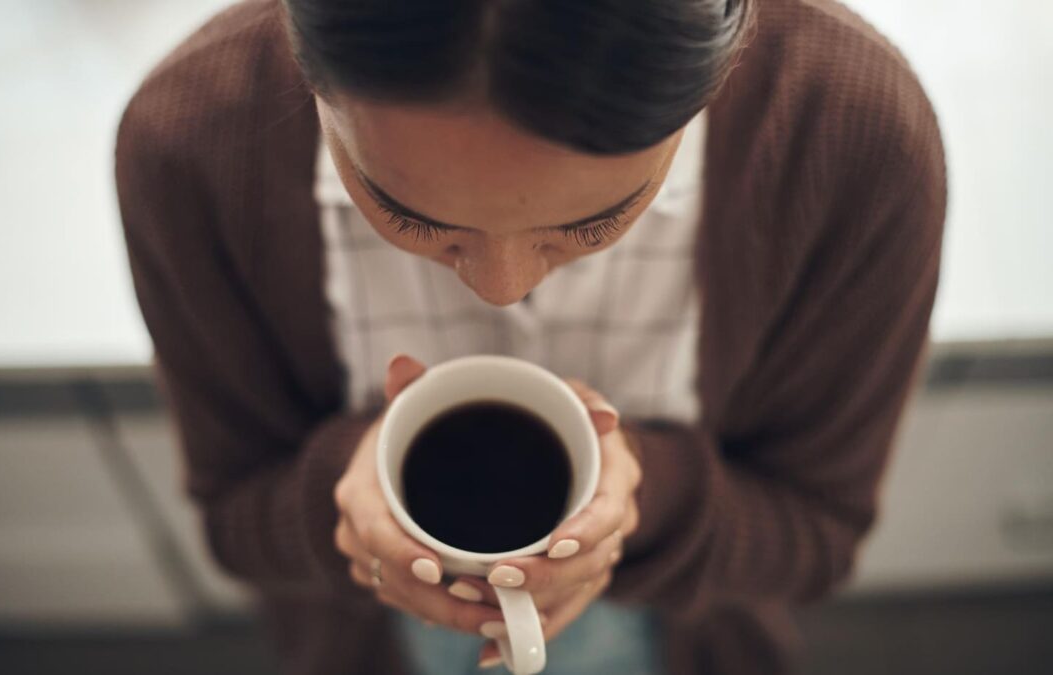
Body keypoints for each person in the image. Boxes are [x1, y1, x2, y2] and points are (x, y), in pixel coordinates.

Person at [114, 0, 946, 673]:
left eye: (595, 222)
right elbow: (233, 519)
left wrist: (647, 503)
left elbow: (818, 533)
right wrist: (335, 497)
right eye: (407, 215)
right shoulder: (190, 147)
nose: (502, 288)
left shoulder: (855, 140)